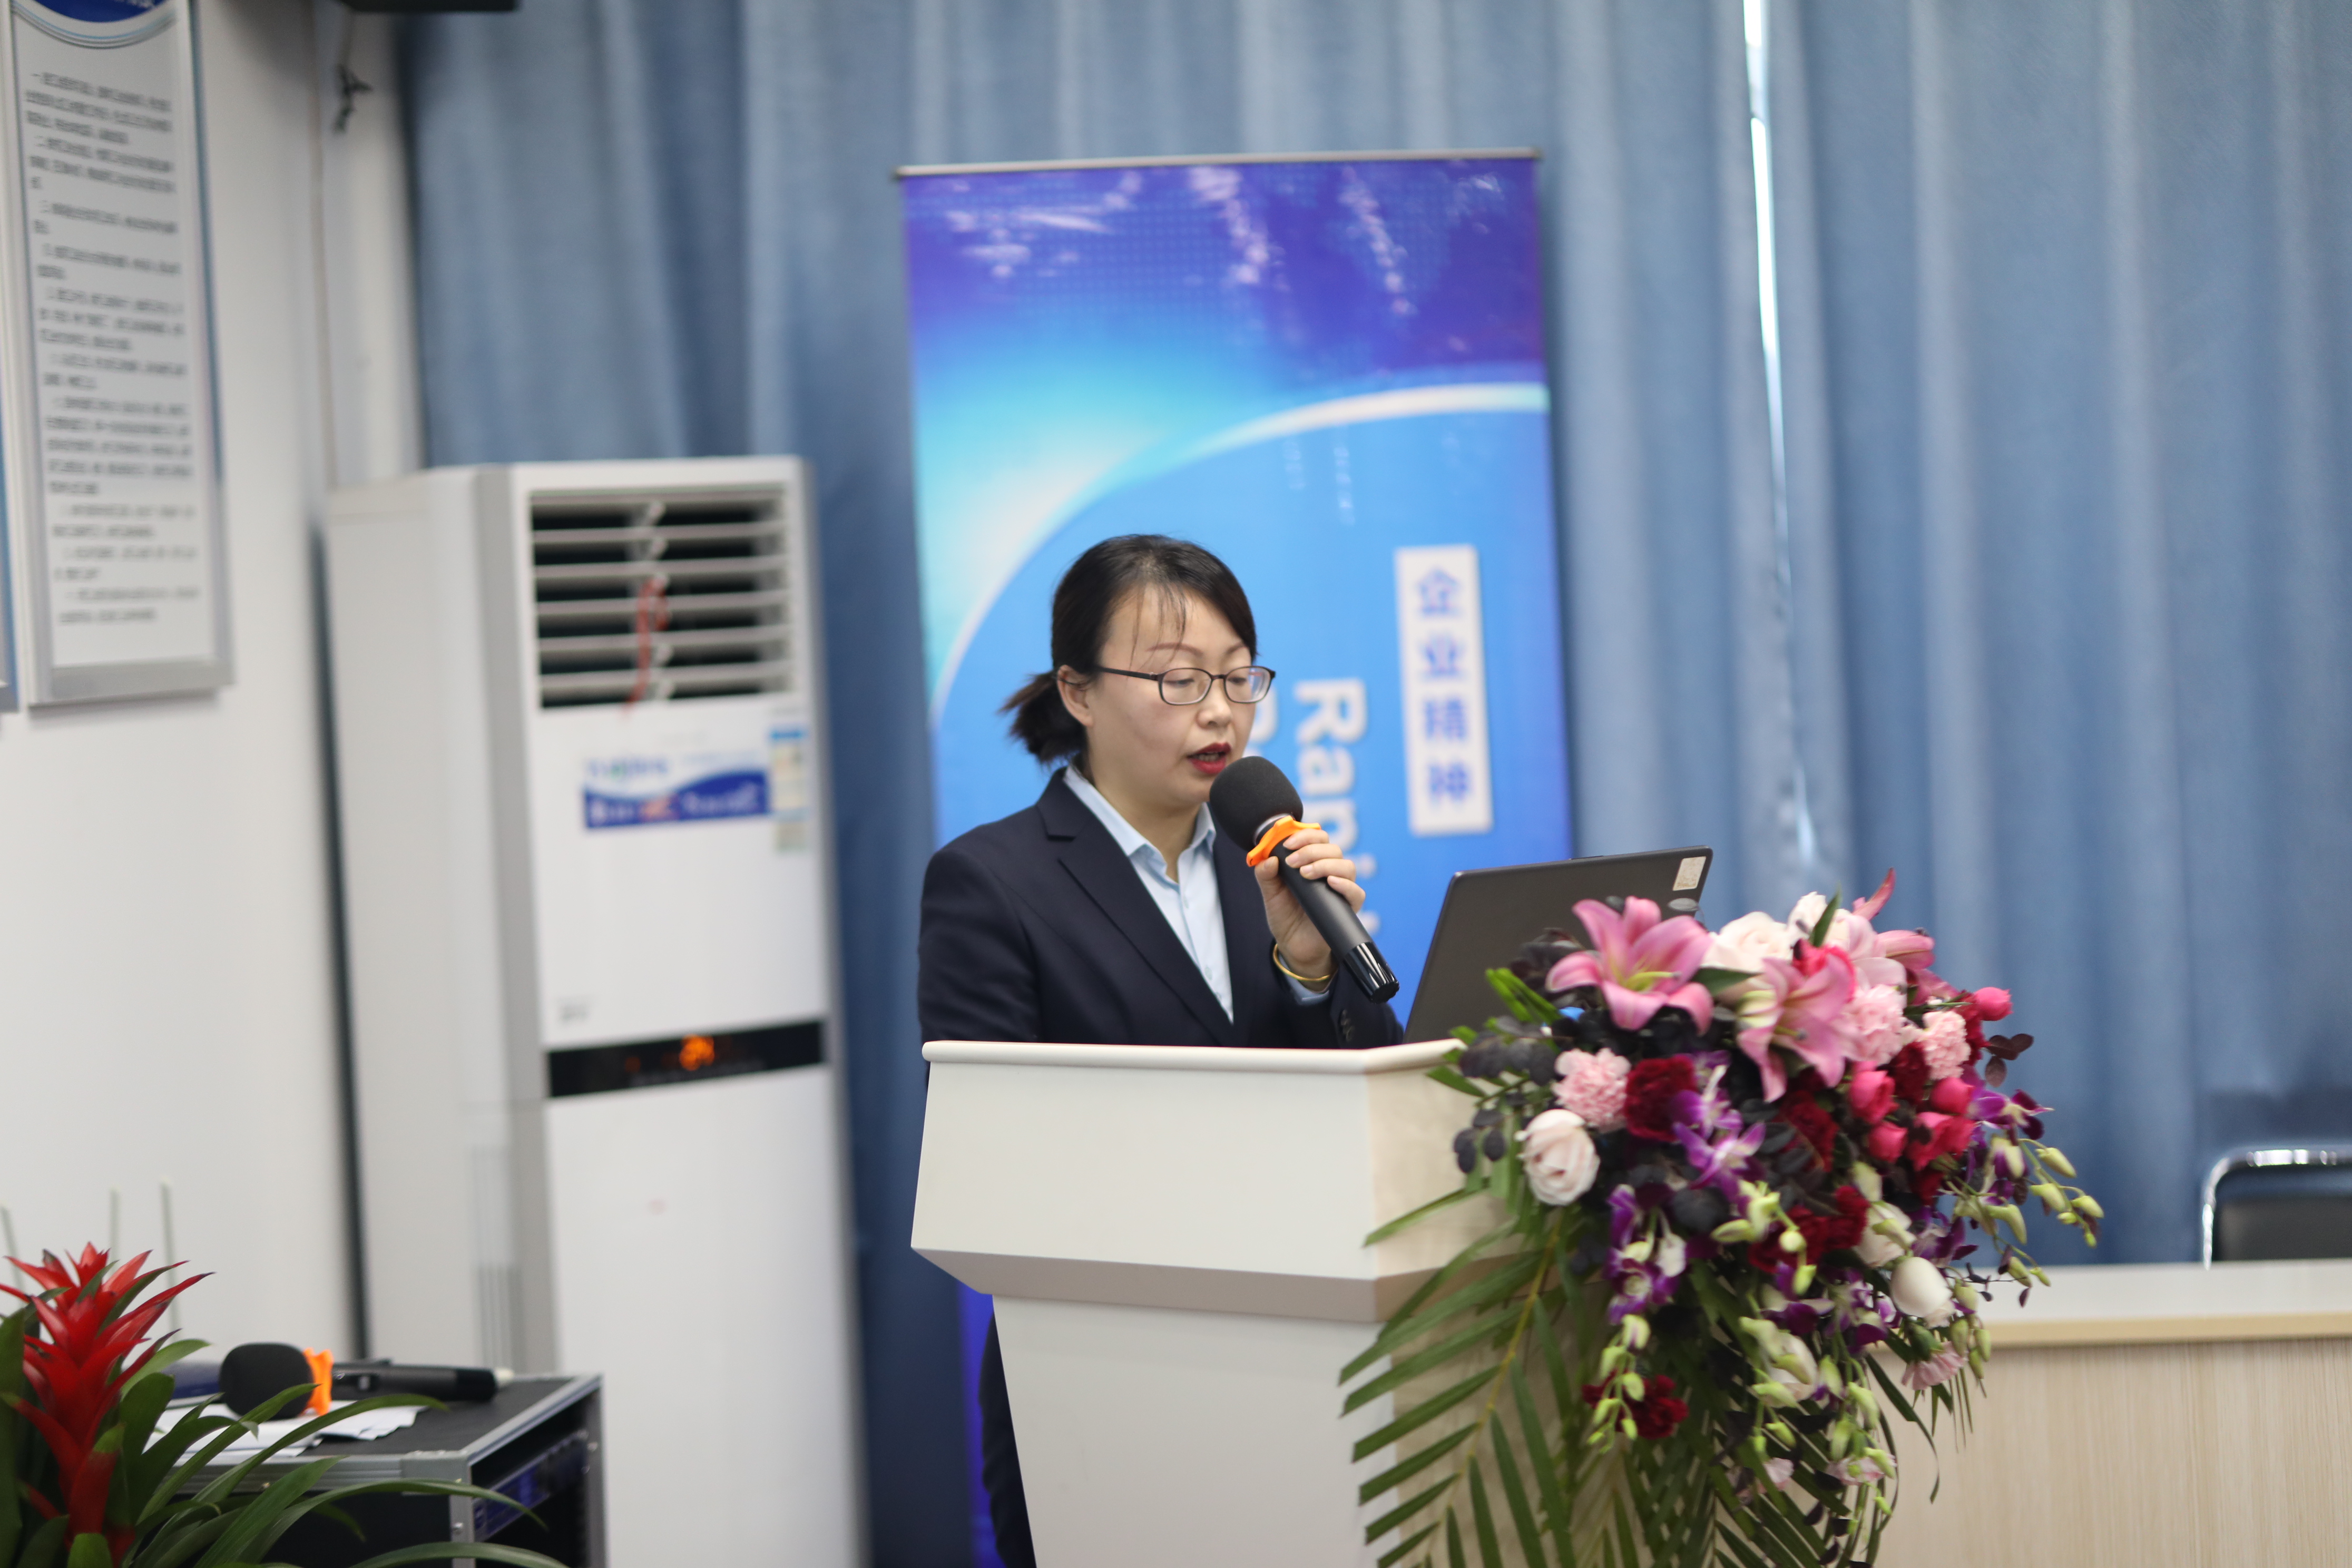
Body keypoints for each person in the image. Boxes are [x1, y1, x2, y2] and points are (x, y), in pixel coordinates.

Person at [918, 534, 1404, 1566]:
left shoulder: (1267, 868)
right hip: (1101, 1382)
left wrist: (1309, 967)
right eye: (1180, 680)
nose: (1219, 712)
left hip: (1304, 1358)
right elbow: (990, 1165)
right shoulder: (990, 883)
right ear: (1079, 692)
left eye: (1238, 678)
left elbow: (1376, 1117)